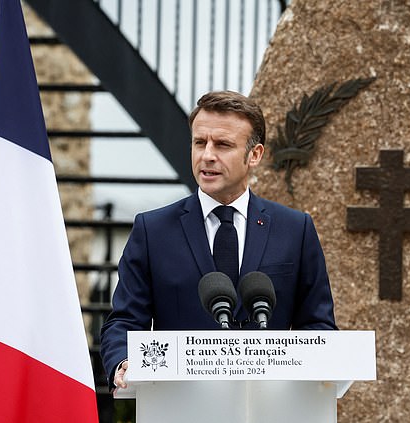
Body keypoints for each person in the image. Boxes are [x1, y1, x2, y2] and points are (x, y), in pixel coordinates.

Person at [100, 90, 337, 390]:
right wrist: (125, 362)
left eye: (223, 145)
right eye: (200, 142)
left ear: (255, 155)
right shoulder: (152, 230)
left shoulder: (295, 230)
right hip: (177, 407)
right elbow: (124, 321)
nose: (207, 155)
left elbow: (318, 326)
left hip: (270, 408)